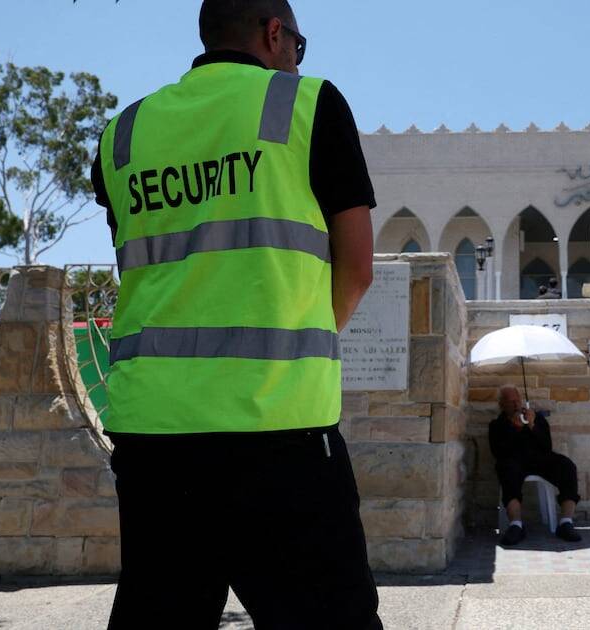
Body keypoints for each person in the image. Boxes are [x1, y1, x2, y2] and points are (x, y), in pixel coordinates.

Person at [90, 1, 382, 627]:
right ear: (275, 33)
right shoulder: (309, 105)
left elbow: (145, 269)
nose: (297, 60)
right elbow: (357, 269)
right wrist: (299, 341)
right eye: (297, 46)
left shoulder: (123, 133)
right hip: (280, 434)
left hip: (153, 441)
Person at [489, 385, 582, 545]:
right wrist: (515, 429)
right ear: (502, 405)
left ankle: (566, 522)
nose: (516, 405)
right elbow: (499, 453)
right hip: (514, 463)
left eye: (517, 400)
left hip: (540, 460)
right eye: (510, 402)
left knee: (567, 466)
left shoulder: (536, 418)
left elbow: (547, 446)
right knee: (506, 469)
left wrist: (532, 425)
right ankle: (516, 525)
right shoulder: (497, 425)